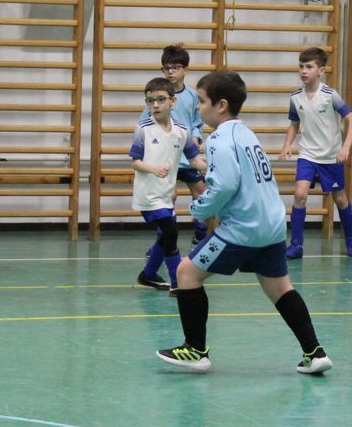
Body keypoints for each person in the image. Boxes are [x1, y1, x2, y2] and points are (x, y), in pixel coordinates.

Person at [156, 70, 333, 375]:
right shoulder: (247, 133)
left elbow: (225, 185)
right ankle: (314, 352)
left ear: (221, 105)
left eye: (202, 101)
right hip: (272, 224)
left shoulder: (219, 139)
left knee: (186, 273)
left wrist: (199, 208)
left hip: (243, 228)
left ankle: (195, 350)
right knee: (280, 288)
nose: (198, 107)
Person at [279, 47, 352, 259]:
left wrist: (345, 147)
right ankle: (296, 245)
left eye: (309, 67)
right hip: (307, 155)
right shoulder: (296, 97)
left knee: (339, 198)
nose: (304, 71)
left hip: (330, 156)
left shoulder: (330, 95)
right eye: (301, 66)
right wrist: (287, 144)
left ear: (321, 71)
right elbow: (294, 124)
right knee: (300, 194)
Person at [130, 77, 206, 295]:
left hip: (165, 194)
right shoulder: (143, 129)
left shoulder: (182, 130)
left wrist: (214, 168)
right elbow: (135, 162)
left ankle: (148, 274)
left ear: (173, 101)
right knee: (171, 232)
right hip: (148, 194)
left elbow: (194, 159)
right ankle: (178, 283)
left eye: (161, 99)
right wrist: (153, 169)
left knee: (165, 235)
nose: (155, 105)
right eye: (150, 100)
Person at [138, 44, 208, 248]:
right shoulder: (156, 98)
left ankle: (201, 236)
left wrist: (196, 137)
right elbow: (144, 124)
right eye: (166, 68)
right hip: (166, 159)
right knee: (169, 197)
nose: (170, 72)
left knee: (201, 192)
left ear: (186, 70)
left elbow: (197, 122)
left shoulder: (193, 96)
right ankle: (164, 242)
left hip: (187, 156)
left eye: (175, 67)